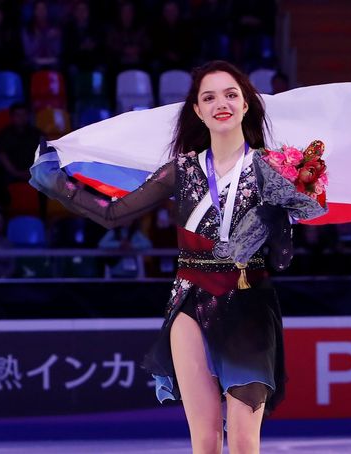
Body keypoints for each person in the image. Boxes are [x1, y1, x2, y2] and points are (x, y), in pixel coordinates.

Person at [29, 60, 326, 453]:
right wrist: (59, 186)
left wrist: (293, 196)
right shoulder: (181, 169)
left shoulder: (273, 168)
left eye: (231, 94)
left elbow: (296, 238)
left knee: (242, 440)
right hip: (191, 299)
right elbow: (113, 215)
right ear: (198, 112)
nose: (221, 102)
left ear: (247, 104)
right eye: (209, 97)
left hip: (250, 300)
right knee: (204, 440)